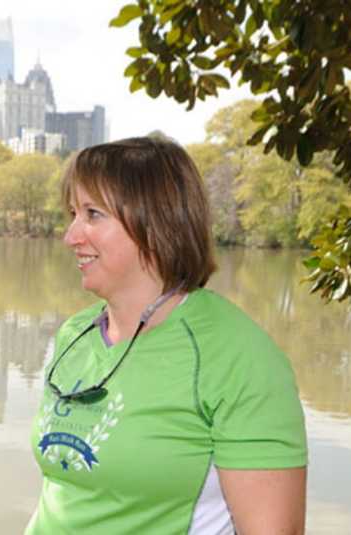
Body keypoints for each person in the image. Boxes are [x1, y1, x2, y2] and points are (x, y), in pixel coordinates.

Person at [26, 137, 307, 534]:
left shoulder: (237, 355)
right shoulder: (76, 334)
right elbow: (68, 496)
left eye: (92, 214)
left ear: (156, 222)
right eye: (73, 213)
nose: (70, 235)